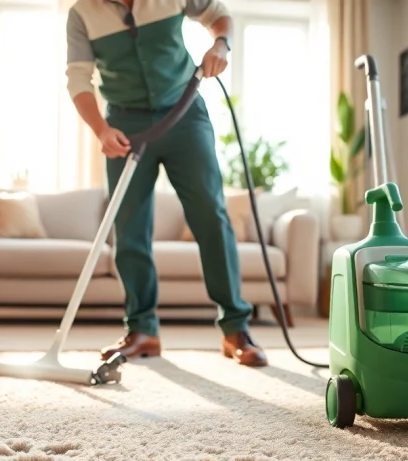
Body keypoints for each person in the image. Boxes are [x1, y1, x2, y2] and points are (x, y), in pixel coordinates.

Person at [65, 0, 268, 367]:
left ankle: (235, 329)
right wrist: (101, 129)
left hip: (184, 114)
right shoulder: (82, 13)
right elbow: (78, 78)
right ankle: (142, 330)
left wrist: (221, 44)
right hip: (124, 126)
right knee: (129, 228)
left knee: (211, 215)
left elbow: (218, 15)